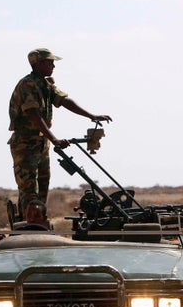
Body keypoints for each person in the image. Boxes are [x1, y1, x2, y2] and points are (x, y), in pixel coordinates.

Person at [8, 47, 112, 218]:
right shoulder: (27, 85)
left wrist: (91, 116)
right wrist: (54, 139)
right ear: (39, 64)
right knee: (29, 192)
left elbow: (64, 101)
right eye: (50, 62)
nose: (53, 66)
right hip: (25, 145)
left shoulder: (45, 84)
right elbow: (33, 115)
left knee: (42, 190)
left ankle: (36, 223)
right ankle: (29, 227)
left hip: (41, 144)